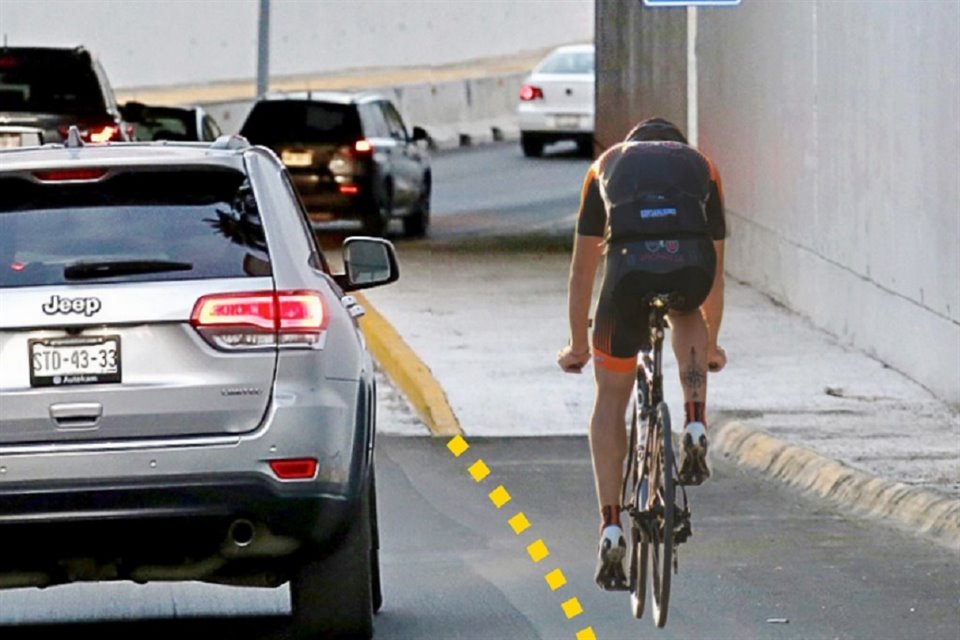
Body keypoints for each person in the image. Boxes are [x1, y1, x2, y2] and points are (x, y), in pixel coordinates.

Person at [557, 117, 727, 590]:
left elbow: (581, 273)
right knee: (689, 305)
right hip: (690, 266)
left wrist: (576, 344)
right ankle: (694, 418)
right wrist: (712, 347)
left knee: (611, 401)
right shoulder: (703, 167)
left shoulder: (605, 166)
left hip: (627, 276)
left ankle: (611, 526)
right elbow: (716, 275)